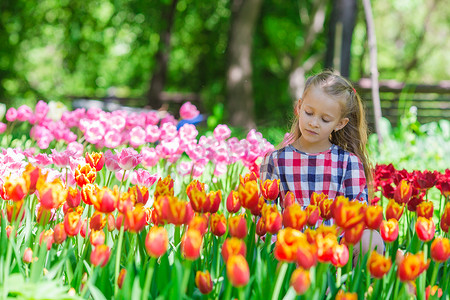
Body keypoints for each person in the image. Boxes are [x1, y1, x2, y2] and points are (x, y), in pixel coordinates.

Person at [260, 70, 384, 262]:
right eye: (309, 113)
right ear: (299, 107)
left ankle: (355, 290)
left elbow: (356, 219)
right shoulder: (275, 160)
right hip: (290, 248)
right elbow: (266, 215)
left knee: (371, 238)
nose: (313, 123)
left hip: (334, 249)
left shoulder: (348, 163)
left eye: (325, 119)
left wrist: (328, 246)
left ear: (340, 123)